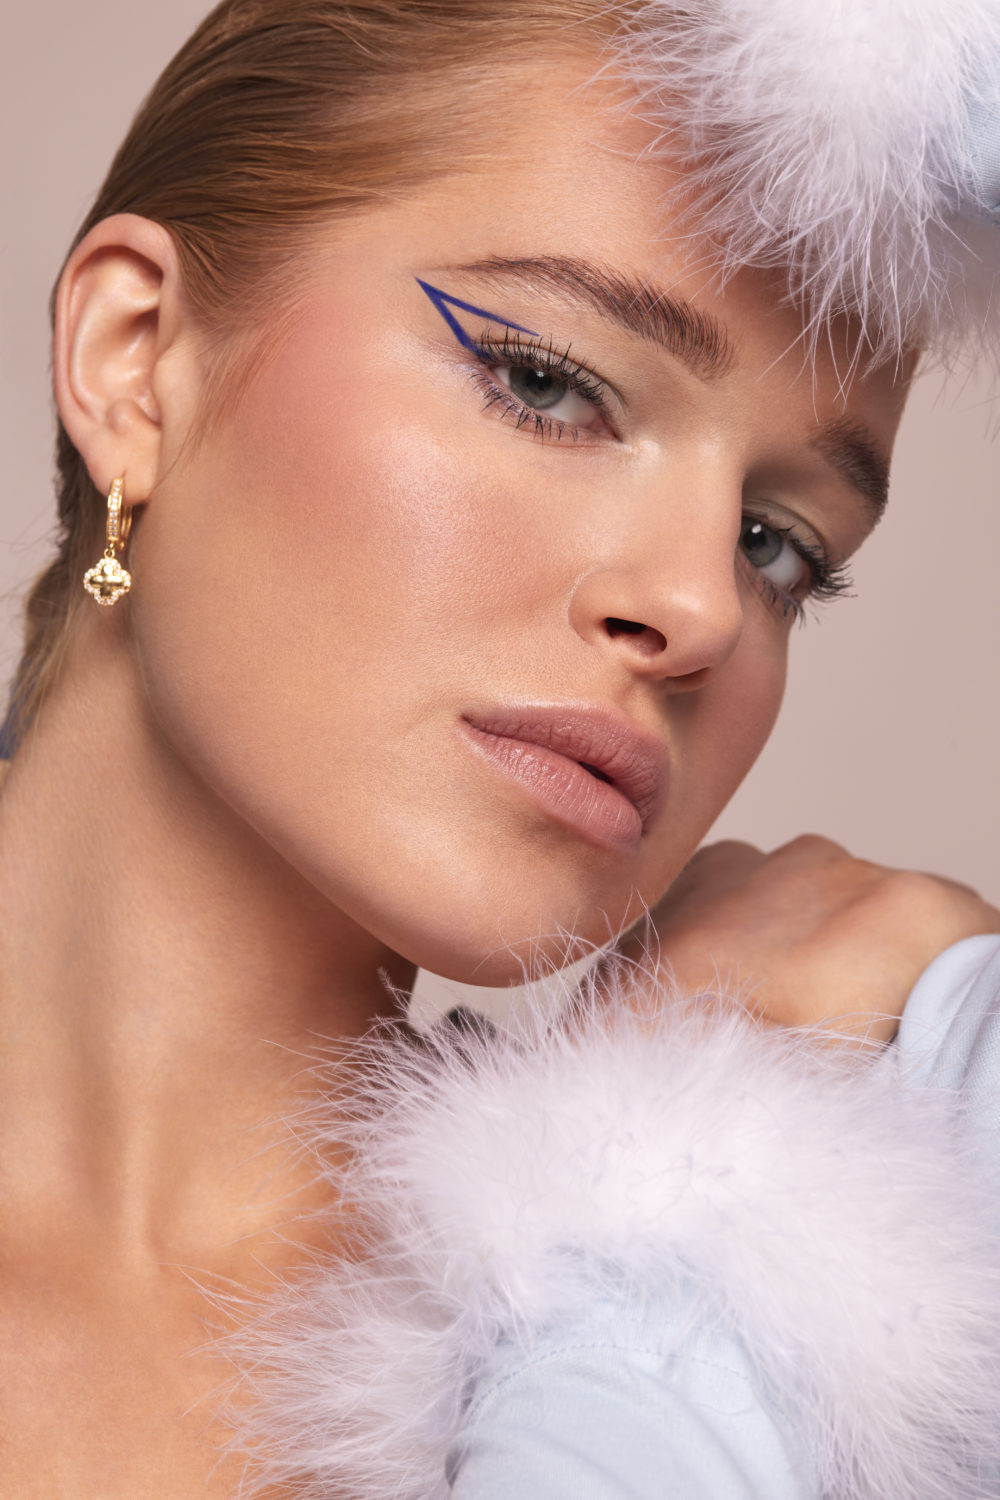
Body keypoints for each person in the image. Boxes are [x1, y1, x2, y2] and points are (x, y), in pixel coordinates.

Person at [1, 1, 999, 1496]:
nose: (698, 608)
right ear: (135, 360)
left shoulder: (842, 1339)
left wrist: (661, 1266)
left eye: (777, 544)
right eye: (547, 384)